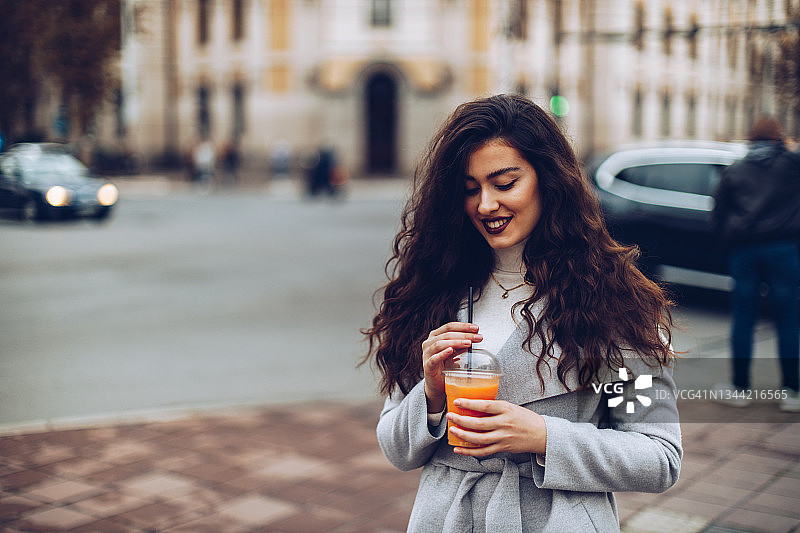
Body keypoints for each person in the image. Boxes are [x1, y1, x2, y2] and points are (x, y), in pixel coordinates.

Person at [361, 94, 682, 532]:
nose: (486, 204)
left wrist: (545, 437)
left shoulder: (614, 302)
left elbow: (658, 456)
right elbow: (396, 449)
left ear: (548, 181)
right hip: (447, 519)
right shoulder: (434, 290)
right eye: (470, 189)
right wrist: (431, 397)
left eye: (505, 183)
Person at [711, 116, 800, 412]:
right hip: (784, 249)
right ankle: (792, 391)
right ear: (779, 137)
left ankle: (739, 387)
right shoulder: (792, 166)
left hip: (745, 251)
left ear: (750, 139)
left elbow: (718, 212)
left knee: (744, 317)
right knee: (787, 318)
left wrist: (728, 244)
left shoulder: (736, 170)